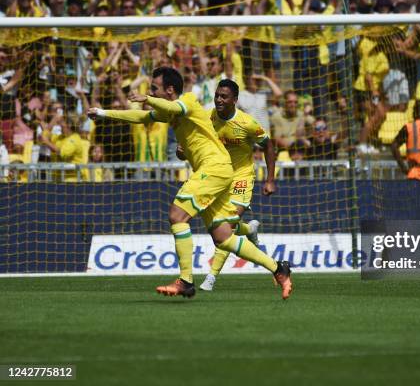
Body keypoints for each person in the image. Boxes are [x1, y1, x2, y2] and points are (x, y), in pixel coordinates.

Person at [87, 67, 292, 299]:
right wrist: (103, 113)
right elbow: (142, 117)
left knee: (177, 216)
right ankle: (278, 269)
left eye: (154, 88)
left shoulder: (188, 101)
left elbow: (173, 107)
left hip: (214, 168)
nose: (151, 92)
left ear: (170, 90)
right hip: (219, 170)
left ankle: (185, 280)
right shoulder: (172, 111)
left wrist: (147, 98)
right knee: (223, 236)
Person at [194, 79, 277, 292]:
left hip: (241, 177)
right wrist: (183, 150)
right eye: (217, 95)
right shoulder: (208, 118)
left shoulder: (247, 123)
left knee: (227, 227)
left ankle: (211, 278)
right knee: (217, 228)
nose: (219, 100)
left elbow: (268, 146)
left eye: (224, 96)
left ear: (235, 100)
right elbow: (195, 141)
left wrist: (270, 179)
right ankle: (249, 229)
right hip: (218, 177)